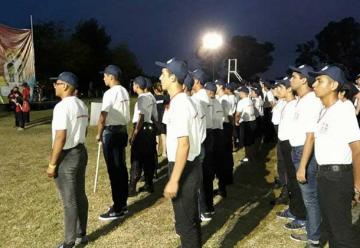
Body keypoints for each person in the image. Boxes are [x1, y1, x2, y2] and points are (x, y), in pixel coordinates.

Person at [311, 65, 360, 247]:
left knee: (341, 233)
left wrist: (358, 183)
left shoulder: (344, 108)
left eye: (320, 80)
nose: (314, 84)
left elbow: (357, 149)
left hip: (338, 177)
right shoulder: (325, 111)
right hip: (324, 175)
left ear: (334, 85)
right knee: (331, 228)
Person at [156, 57, 202, 248]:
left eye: (164, 73)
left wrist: (174, 180)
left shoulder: (181, 104)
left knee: (185, 221)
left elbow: (184, 145)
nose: (160, 77)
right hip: (188, 164)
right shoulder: (181, 101)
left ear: (173, 78)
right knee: (189, 217)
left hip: (185, 167)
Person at [46, 72, 89, 248]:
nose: (54, 86)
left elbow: (60, 137)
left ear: (65, 86)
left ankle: (69, 241)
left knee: (69, 200)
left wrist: (52, 164)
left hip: (67, 155)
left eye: (56, 83)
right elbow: (84, 130)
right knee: (79, 194)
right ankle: (81, 233)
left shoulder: (62, 107)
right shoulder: (81, 104)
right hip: (80, 151)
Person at [288, 65, 322, 247]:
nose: (290, 80)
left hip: (305, 152)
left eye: (294, 76)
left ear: (304, 80)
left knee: (311, 198)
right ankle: (311, 230)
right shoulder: (302, 100)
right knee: (308, 198)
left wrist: (302, 165)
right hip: (298, 150)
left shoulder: (311, 101)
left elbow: (311, 135)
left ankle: (314, 239)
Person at [96, 65, 130, 221]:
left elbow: (103, 116)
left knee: (114, 171)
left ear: (111, 76)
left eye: (105, 75)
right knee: (121, 169)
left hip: (112, 133)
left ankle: (117, 208)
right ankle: (122, 204)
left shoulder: (110, 93)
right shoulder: (124, 91)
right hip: (122, 131)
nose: (103, 78)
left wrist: (99, 133)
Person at [275, 76, 307, 231]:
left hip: (291, 145)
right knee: (290, 179)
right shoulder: (286, 104)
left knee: (295, 180)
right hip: (285, 144)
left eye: (280, 87)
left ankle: (300, 215)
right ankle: (294, 208)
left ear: (289, 89)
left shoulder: (295, 105)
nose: (277, 90)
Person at [191, 68, 215, 221]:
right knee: (206, 174)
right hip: (209, 134)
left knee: (198, 175)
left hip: (201, 138)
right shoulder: (206, 97)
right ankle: (208, 206)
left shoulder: (197, 99)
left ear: (197, 81)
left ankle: (203, 209)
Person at [129, 76, 157, 195]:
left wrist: (135, 133)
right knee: (148, 158)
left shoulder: (141, 98)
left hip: (141, 129)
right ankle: (149, 184)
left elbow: (140, 116)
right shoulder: (151, 97)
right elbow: (155, 116)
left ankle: (132, 187)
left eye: (133, 84)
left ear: (137, 86)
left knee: (136, 159)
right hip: (150, 129)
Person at [216, 79, 234, 187]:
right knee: (224, 154)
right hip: (222, 127)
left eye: (217, 85)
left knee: (226, 153)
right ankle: (225, 176)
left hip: (225, 126)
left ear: (220, 86)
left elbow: (229, 114)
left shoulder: (224, 99)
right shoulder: (220, 98)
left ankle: (227, 177)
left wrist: (231, 129)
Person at [235, 86, 256, 163]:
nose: (239, 94)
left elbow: (238, 114)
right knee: (251, 141)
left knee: (247, 142)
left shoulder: (241, 102)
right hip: (253, 121)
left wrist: (236, 121)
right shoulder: (250, 100)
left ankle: (248, 157)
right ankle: (252, 156)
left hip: (246, 123)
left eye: (240, 92)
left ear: (243, 93)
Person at [153, 82, 168, 157]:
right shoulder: (165, 98)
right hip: (163, 120)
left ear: (155, 90)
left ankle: (156, 151)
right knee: (163, 135)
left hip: (155, 120)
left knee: (156, 136)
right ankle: (164, 152)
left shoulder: (153, 98)